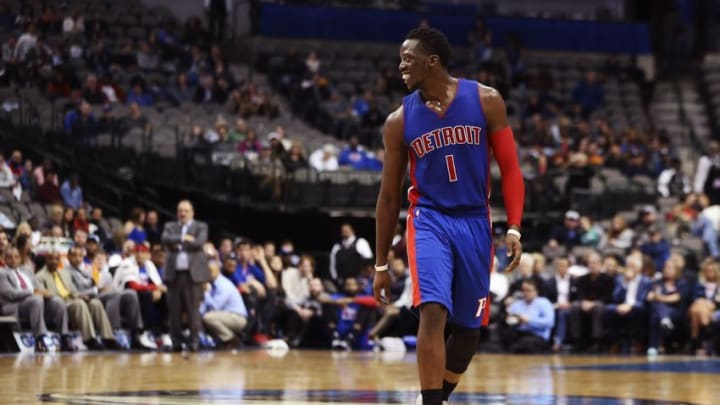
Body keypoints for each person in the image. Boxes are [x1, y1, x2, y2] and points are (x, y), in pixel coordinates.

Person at [372, 28, 524, 405]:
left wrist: (515, 227)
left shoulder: (486, 100)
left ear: (432, 61)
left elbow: (511, 169)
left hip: (475, 221)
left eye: (408, 59)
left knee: (469, 333)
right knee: (434, 311)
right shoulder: (398, 122)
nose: (401, 66)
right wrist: (379, 265)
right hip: (429, 219)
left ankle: (438, 397)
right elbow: (389, 197)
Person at [161, 199, 210, 352]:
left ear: (192, 212)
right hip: (174, 274)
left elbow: (199, 243)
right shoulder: (170, 226)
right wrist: (184, 238)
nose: (182, 213)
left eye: (186, 211)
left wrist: (177, 244)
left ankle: (194, 341)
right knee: (173, 310)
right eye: (180, 210)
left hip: (193, 275)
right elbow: (165, 239)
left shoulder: (201, 226)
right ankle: (176, 341)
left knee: (192, 310)